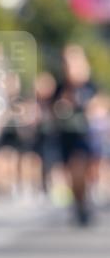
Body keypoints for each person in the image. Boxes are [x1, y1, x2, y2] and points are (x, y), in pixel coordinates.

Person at [53, 44, 97, 225]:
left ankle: (84, 202)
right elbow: (54, 110)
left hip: (85, 135)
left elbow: (97, 107)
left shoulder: (90, 86)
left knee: (83, 171)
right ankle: (80, 205)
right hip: (66, 135)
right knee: (73, 175)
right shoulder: (61, 87)